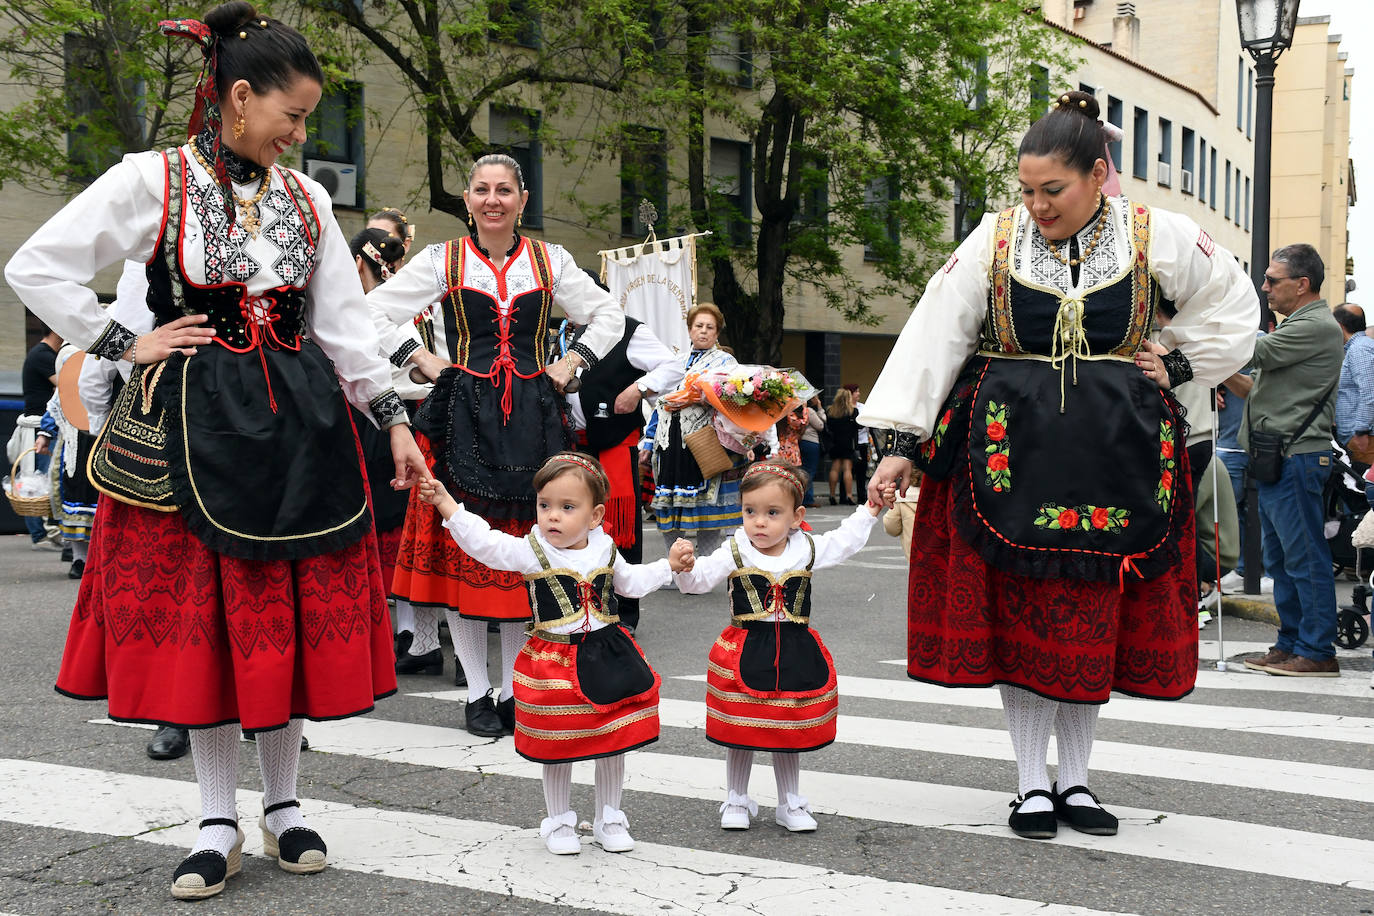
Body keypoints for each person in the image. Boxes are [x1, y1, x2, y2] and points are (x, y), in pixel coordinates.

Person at [4, 3, 429, 899]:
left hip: (302, 423)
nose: (300, 133)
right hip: (193, 427)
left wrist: (391, 418)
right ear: (240, 97)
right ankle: (213, 817)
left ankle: (283, 807)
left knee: (280, 613)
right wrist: (125, 342)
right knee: (210, 621)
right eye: (294, 114)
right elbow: (35, 264)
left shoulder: (309, 198)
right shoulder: (150, 180)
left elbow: (347, 331)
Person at [862, 90, 1257, 839]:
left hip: (1119, 456)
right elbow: (935, 332)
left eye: (1053, 189)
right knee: (1020, 618)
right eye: (1027, 190)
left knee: (1091, 619)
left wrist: (1178, 361)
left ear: (1099, 174)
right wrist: (903, 446)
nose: (1037, 205)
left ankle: (1075, 780)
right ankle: (1029, 783)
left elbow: (1234, 301)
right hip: (1009, 454)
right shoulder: (993, 239)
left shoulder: (1156, 234)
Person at [367, 153, 624, 737]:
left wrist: (573, 363)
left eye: (504, 190)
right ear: (467, 198)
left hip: (535, 420)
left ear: (522, 199)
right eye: (482, 189)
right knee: (466, 553)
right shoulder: (442, 259)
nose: (492, 200)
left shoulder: (550, 259)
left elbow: (608, 313)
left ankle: (511, 689)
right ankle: (478, 690)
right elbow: (370, 311)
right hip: (462, 417)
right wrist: (419, 358)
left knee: (523, 555)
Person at [416, 453, 693, 854]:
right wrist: (446, 504)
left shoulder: (605, 550)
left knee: (611, 739)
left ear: (595, 515)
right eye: (545, 505)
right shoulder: (532, 550)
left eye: (567, 507)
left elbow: (632, 583)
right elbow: (486, 544)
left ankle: (609, 816)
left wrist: (669, 566)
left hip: (607, 653)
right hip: (553, 662)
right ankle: (559, 821)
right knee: (557, 744)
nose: (553, 517)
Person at [675, 461, 887, 832]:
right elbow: (699, 581)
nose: (759, 522)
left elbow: (843, 541)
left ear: (796, 516)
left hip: (794, 646)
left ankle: (789, 802)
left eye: (772, 513)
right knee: (741, 729)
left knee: (787, 727)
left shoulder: (805, 547)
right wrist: (684, 567)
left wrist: (869, 510)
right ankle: (736, 799)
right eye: (750, 511)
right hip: (743, 648)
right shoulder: (734, 549)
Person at [1237, 244, 1344, 677]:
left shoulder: (1315, 326)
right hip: (1279, 458)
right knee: (1281, 559)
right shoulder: (1296, 327)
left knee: (1304, 557)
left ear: (1302, 284)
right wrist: (1213, 367)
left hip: (1297, 458)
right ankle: (1291, 643)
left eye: (1271, 280)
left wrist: (1208, 332)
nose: (1264, 288)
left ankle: (1317, 650)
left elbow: (1254, 352)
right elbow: (1253, 387)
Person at [558, 281, 682, 633]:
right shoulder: (563, 335)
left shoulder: (629, 330)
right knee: (572, 525)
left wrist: (638, 388)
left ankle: (624, 613)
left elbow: (673, 366)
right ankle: (582, 605)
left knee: (620, 529)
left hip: (612, 441)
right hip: (573, 444)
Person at [649, 303, 742, 556]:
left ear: (717, 332)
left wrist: (705, 399)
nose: (703, 331)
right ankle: (677, 566)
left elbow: (736, 402)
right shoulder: (675, 362)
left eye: (709, 327)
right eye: (698, 326)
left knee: (707, 510)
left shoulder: (726, 362)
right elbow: (660, 405)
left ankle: (704, 567)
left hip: (703, 439)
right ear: (690, 330)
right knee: (670, 508)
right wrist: (648, 443)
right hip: (669, 442)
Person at [13, 324, 63, 549]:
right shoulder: (43, 355)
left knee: (38, 477)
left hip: (40, 424)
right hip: (39, 425)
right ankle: (41, 535)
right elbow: (66, 386)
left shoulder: (41, 353)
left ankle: (42, 533)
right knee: (38, 479)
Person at [1333, 304, 1374, 465]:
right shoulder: (1360, 347)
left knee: (1365, 487)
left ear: (1339, 326)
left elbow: (1369, 392)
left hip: (1362, 438)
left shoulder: (1359, 349)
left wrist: (1361, 431)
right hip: (1359, 436)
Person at [825, 388, 859, 504]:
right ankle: (849, 495)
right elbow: (858, 426)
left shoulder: (830, 411)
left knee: (834, 469)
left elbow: (828, 427)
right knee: (847, 470)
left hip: (835, 443)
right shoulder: (853, 411)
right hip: (848, 443)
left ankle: (832, 495)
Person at [847, 384, 872, 499]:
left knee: (862, 471)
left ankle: (862, 495)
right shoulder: (845, 408)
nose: (859, 393)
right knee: (847, 470)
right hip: (849, 443)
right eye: (856, 391)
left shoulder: (863, 407)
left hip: (862, 442)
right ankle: (846, 495)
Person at [799, 395, 824, 507]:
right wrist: (820, 407)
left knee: (804, 469)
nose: (817, 399)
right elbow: (820, 425)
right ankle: (807, 498)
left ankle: (803, 497)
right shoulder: (809, 411)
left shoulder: (801, 411)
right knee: (810, 471)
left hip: (802, 442)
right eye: (816, 398)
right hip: (811, 442)